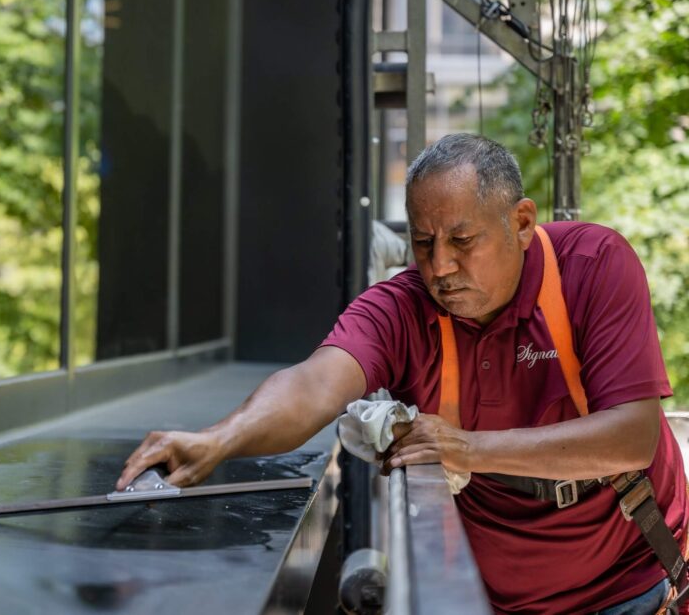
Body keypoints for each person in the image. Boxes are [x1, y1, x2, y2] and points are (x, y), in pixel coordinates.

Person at [115, 133, 688, 614]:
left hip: (634, 587)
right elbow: (314, 385)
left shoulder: (592, 267)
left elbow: (633, 437)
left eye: (463, 240)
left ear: (520, 221)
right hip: (498, 601)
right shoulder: (402, 308)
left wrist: (466, 447)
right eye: (423, 242)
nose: (440, 266)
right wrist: (220, 438)